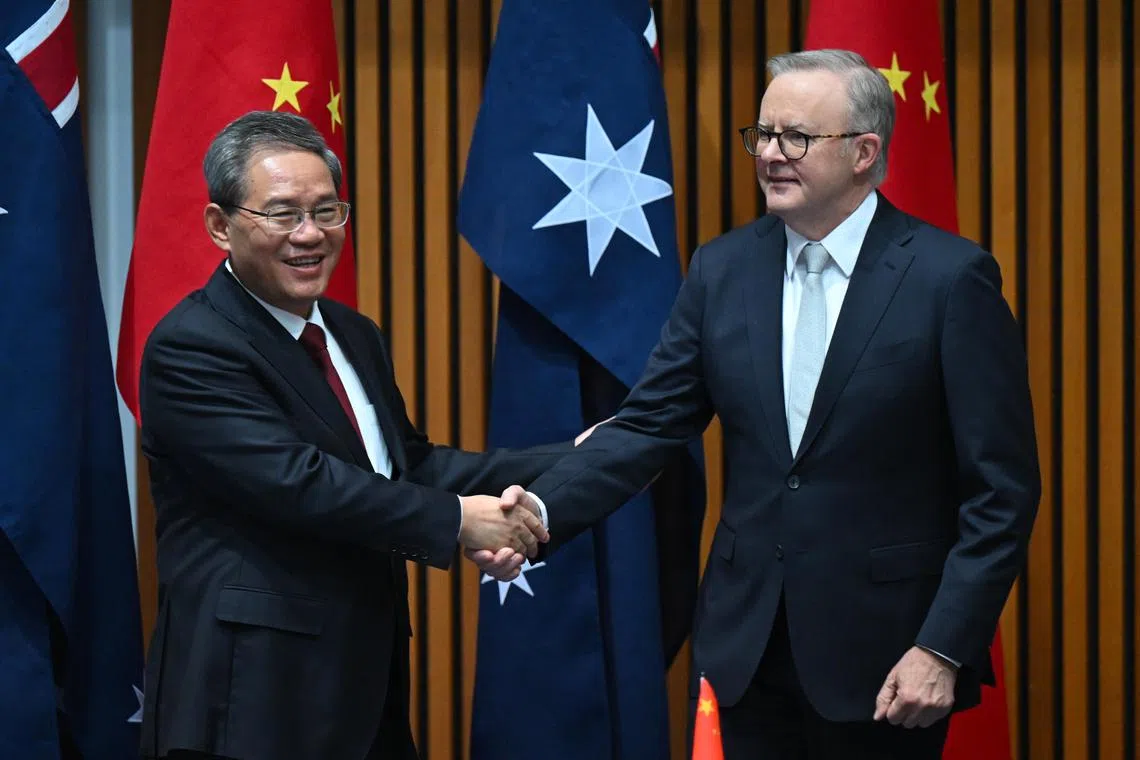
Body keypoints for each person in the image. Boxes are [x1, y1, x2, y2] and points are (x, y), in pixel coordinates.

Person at [487, 49, 1040, 758]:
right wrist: (537, 514)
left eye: (797, 138)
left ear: (865, 152)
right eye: (764, 135)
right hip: (744, 649)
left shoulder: (949, 279)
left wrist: (943, 645)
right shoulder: (723, 269)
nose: (772, 154)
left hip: (887, 658)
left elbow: (1002, 491)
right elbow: (651, 425)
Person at [138, 110, 558, 760]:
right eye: (283, 214)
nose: (311, 234)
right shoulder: (191, 346)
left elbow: (406, 467)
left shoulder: (351, 333)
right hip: (253, 701)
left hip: (364, 690)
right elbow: (299, 484)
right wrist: (456, 523)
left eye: (327, 211)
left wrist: (564, 461)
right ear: (221, 226)